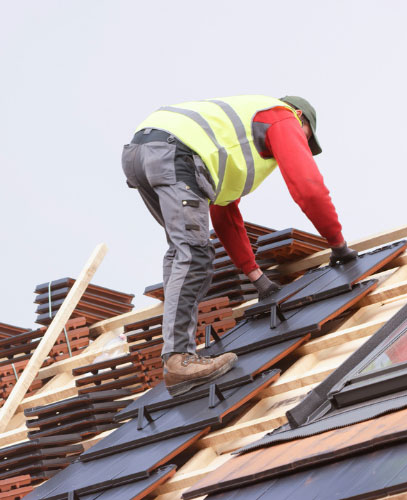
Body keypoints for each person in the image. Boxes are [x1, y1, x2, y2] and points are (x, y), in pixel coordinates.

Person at [121, 95, 358, 396]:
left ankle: (177, 357)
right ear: (301, 117)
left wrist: (257, 277)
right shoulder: (281, 117)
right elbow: (308, 188)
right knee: (192, 253)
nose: (303, 145)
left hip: (144, 153)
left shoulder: (230, 148)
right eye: (307, 137)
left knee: (183, 251)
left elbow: (225, 215)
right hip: (174, 151)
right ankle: (179, 360)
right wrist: (338, 244)